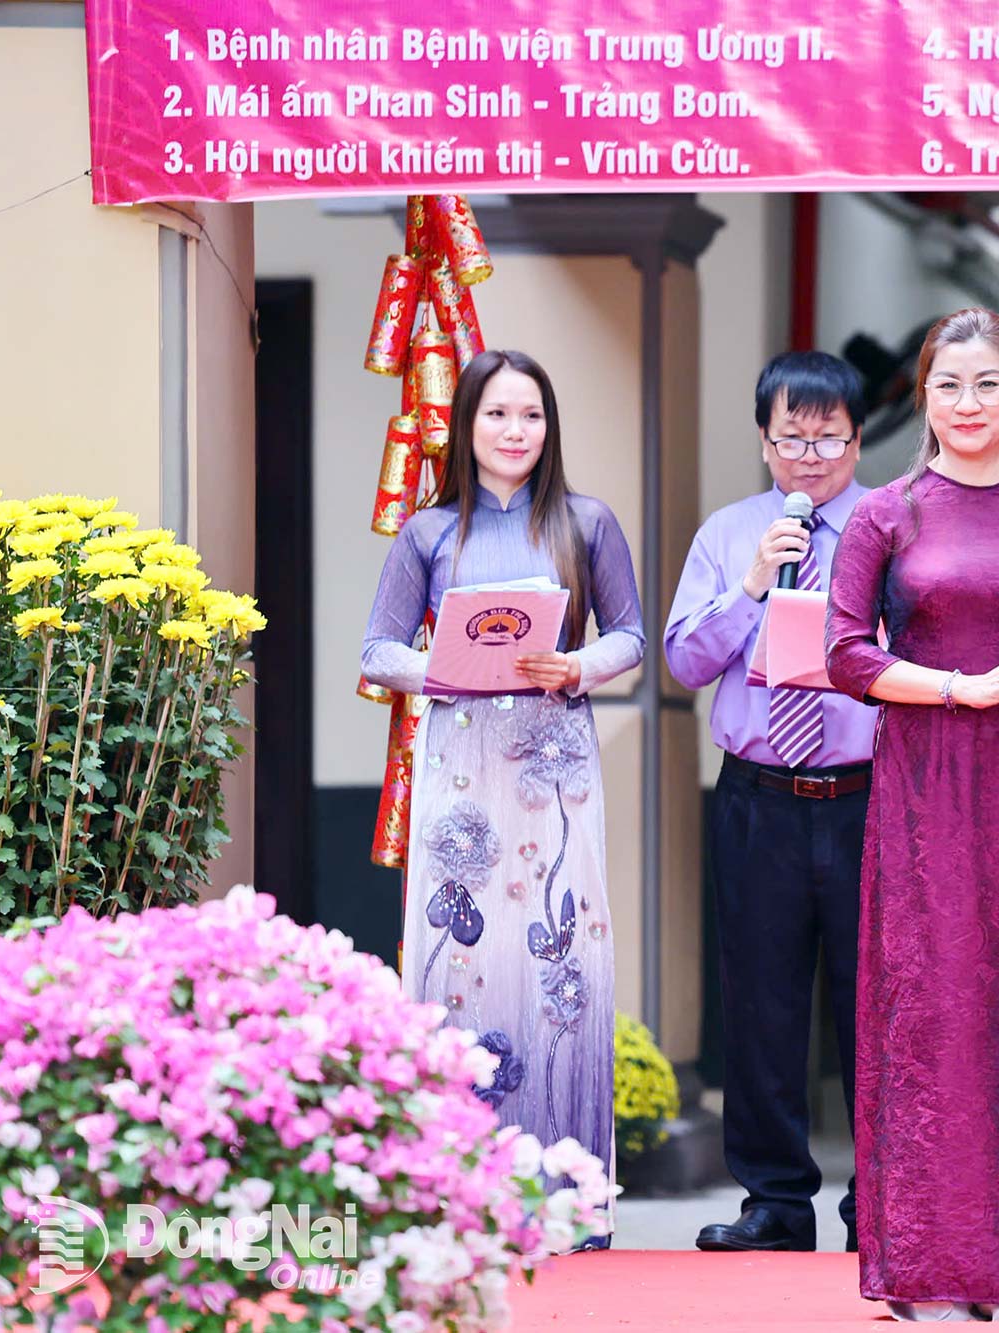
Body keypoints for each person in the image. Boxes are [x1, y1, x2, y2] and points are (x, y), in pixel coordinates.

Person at [825, 308, 999, 1324]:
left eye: (988, 384)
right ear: (923, 397)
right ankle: (931, 1271)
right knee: (933, 1011)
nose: (968, 403)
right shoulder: (885, 515)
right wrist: (960, 686)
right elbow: (844, 655)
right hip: (925, 791)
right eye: (949, 384)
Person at [363, 349, 646, 1248]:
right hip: (459, 769)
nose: (514, 431)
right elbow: (376, 651)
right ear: (467, 425)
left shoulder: (588, 523)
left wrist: (580, 663)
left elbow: (633, 633)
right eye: (496, 415)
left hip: (553, 772)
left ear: (548, 427)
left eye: (530, 416)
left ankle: (567, 1203)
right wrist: (442, 670)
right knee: (459, 965)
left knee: (562, 966)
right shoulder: (428, 533)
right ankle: (453, 1199)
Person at [663, 351, 876, 1253]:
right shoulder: (728, 534)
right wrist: (753, 585)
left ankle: (887, 1201)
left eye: (829, 438)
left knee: (879, 1002)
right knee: (761, 1001)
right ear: (763, 440)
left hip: (870, 793)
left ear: (859, 440)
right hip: (757, 795)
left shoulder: (888, 524)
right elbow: (681, 662)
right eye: (792, 436)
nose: (810, 456)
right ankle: (777, 1202)